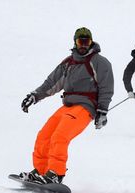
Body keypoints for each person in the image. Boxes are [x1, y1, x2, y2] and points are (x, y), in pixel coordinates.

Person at [18, 27, 114, 185]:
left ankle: (56, 173)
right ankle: (42, 172)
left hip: (85, 106)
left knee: (60, 136)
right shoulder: (68, 62)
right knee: (44, 135)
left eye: (86, 42)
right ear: (75, 42)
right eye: (80, 41)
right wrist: (34, 96)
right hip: (68, 106)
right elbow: (51, 83)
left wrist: (102, 111)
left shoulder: (99, 62)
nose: (83, 45)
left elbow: (106, 87)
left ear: (91, 42)